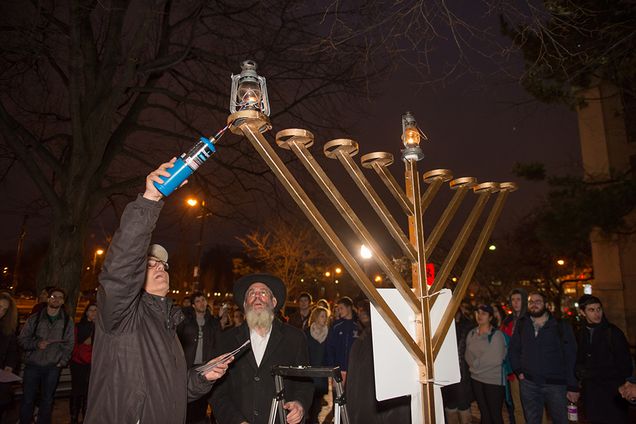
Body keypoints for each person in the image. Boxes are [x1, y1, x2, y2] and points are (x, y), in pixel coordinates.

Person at [84, 160, 230, 424]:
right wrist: (149, 200)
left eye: (163, 264)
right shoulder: (121, 316)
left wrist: (201, 377)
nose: (160, 267)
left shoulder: (167, 323)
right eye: (149, 265)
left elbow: (169, 391)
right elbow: (120, 271)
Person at [209, 273, 313, 424]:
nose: (257, 297)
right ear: (245, 304)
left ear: (274, 302)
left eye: (263, 293)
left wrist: (300, 404)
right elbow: (217, 392)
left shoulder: (295, 338)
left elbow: (305, 383)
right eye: (251, 293)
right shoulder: (226, 340)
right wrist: (236, 421)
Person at [509, 291, 579, 424]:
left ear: (545, 304)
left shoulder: (560, 325)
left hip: (556, 385)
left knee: (561, 420)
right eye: (531, 302)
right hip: (529, 384)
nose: (534, 305)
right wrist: (518, 371)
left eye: (538, 302)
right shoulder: (522, 324)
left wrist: (572, 385)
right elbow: (514, 349)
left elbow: (571, 355)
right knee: (532, 420)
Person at [346, 299, 411, 423]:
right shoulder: (361, 343)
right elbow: (353, 386)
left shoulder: (362, 342)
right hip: (372, 411)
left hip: (375, 412)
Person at [18, 287, 74, 424]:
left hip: (53, 367)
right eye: (54, 296)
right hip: (33, 365)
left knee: (47, 400)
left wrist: (62, 362)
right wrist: (36, 344)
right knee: (27, 399)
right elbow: (22, 339)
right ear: (48, 299)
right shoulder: (35, 318)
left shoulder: (67, 321)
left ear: (63, 302)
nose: (56, 299)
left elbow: (69, 343)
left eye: (60, 297)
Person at [575, 295, 632, 423]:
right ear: (582, 312)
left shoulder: (613, 333)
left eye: (599, 309)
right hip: (592, 393)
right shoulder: (580, 333)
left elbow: (625, 364)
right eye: (591, 310)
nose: (597, 313)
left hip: (613, 392)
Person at [177, 291, 221, 424]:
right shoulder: (186, 321)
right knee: (186, 400)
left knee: (202, 402)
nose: (202, 303)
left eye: (203, 300)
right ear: (193, 305)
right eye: (198, 301)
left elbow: (218, 342)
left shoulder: (212, 322)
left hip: (205, 366)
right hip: (188, 366)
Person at [465, 304, 507, 424]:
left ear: (490, 317)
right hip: (476, 379)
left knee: (495, 414)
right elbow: (467, 355)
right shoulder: (472, 333)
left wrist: (475, 366)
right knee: (484, 413)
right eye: (478, 312)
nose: (480, 315)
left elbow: (495, 358)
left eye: (484, 313)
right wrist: (474, 367)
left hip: (492, 380)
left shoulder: (496, 335)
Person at [442, 302, 475, 424]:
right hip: (447, 371)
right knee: (450, 405)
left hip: (463, 371)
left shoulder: (468, 325)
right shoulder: (443, 324)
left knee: (463, 403)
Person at [501, 288, 528, 424]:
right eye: (513, 300)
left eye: (519, 299)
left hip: (529, 370)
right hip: (512, 369)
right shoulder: (507, 321)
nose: (516, 303)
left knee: (533, 406)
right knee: (517, 407)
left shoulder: (530, 318)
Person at [69, 302, 97, 423]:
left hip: (94, 364)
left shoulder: (101, 328)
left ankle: (86, 416)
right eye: (91, 310)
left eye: (96, 310)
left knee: (89, 391)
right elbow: (74, 344)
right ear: (86, 312)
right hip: (78, 363)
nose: (94, 313)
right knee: (77, 390)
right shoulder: (80, 327)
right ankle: (74, 417)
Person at [305, 306, 330, 423]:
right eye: (322, 316)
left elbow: (330, 353)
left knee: (318, 403)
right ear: (315, 317)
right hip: (309, 374)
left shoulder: (329, 334)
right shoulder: (306, 333)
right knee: (308, 402)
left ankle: (314, 420)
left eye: (326, 316)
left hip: (321, 374)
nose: (325, 319)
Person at [325, 296, 358, 384]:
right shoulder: (336, 326)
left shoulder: (358, 326)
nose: (339, 311)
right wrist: (332, 366)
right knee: (338, 396)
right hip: (339, 370)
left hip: (354, 371)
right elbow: (330, 347)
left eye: (341, 308)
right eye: (338, 309)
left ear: (349, 307)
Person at [0, 292, 18, 422]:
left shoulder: (7, 329)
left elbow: (13, 351)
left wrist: (9, 366)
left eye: (5, 310)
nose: (1, 312)